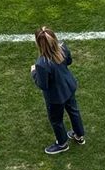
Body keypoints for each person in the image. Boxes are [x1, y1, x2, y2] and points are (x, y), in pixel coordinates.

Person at [31, 26, 86, 154]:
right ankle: (79, 135)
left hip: (55, 97)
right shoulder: (63, 48)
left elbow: (43, 85)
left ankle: (62, 143)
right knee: (74, 111)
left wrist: (34, 72)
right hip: (69, 87)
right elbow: (69, 61)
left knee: (56, 119)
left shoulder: (41, 64)